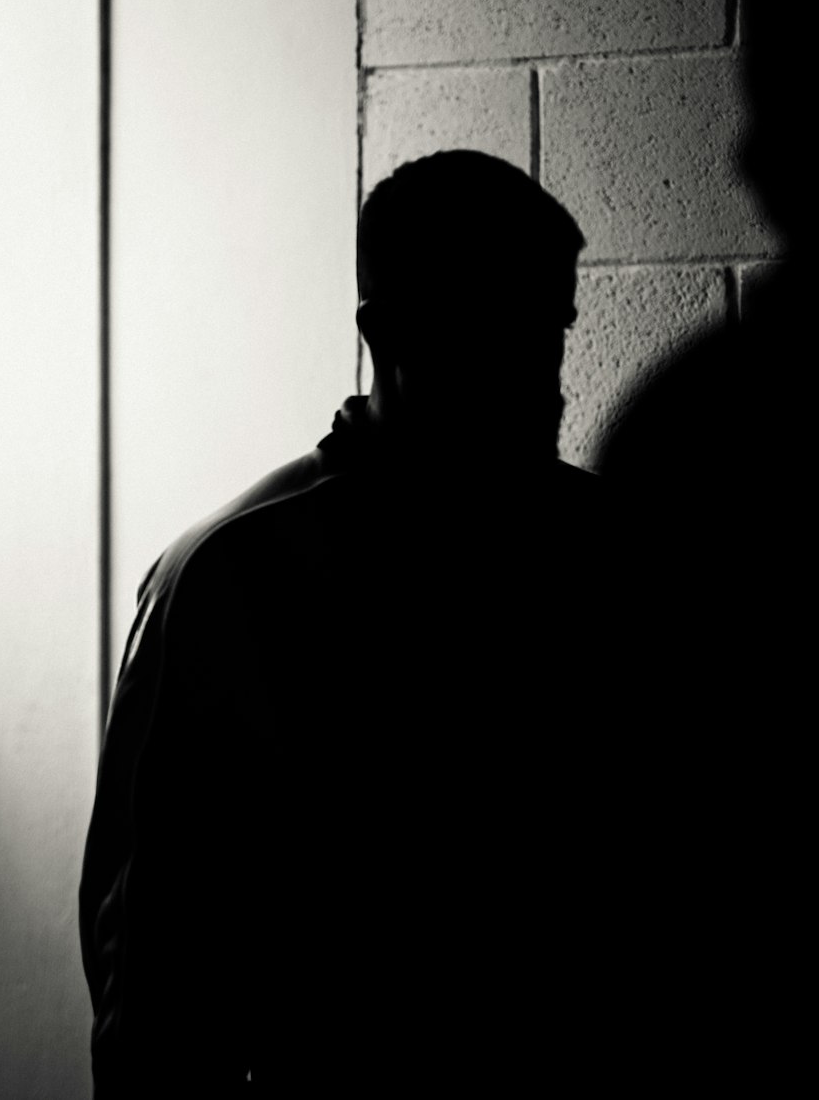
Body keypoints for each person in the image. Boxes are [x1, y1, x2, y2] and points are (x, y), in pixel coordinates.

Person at [79, 151, 641, 1090]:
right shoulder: (235, 580)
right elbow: (156, 964)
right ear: (388, 334)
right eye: (494, 331)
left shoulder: (603, 548)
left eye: (551, 332)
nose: (545, 381)